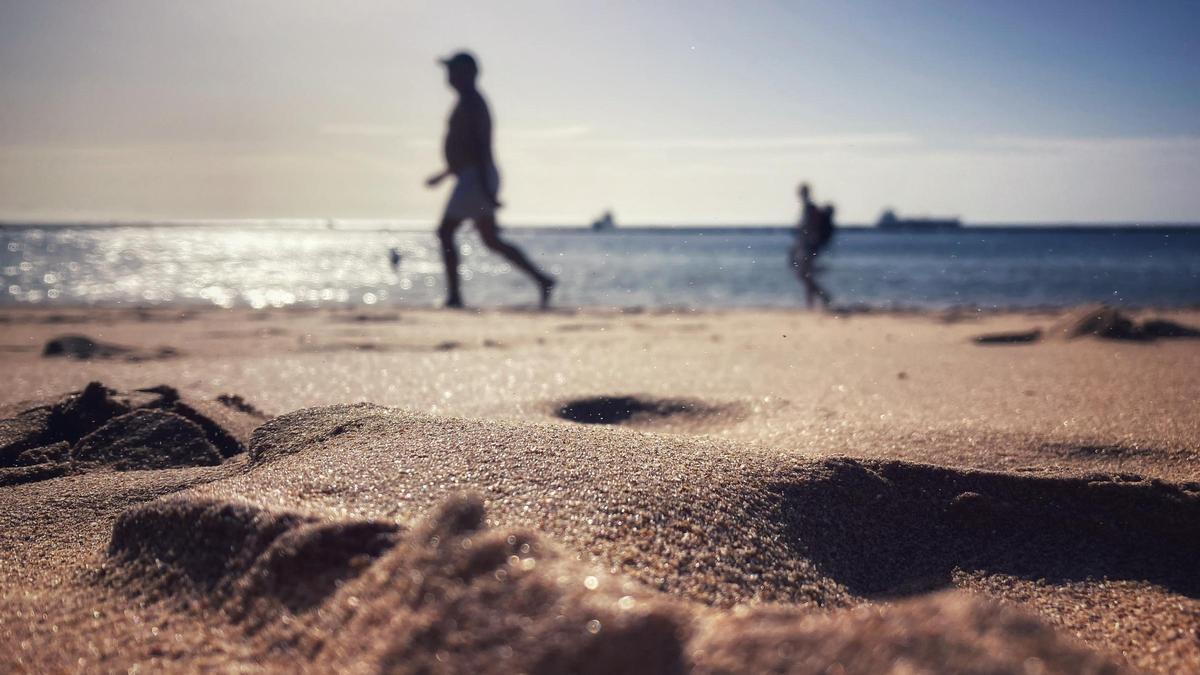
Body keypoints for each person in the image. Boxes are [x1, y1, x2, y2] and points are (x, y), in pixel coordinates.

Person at [426, 51, 555, 309]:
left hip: (476, 178)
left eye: (453, 70)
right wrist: (445, 174)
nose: (449, 76)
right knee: (490, 240)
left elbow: (481, 147)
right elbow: (465, 150)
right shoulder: (465, 102)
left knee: (446, 231)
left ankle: (454, 296)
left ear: (468, 74)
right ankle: (542, 279)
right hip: (472, 177)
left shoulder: (473, 102)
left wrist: (487, 189)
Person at [790, 183, 833, 308]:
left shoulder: (809, 208)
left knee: (803, 275)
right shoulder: (808, 208)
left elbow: (809, 229)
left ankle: (823, 297)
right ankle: (811, 304)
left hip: (808, 247)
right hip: (807, 246)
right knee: (806, 275)